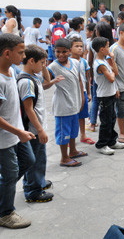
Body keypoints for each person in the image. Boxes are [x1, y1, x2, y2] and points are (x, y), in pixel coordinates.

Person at [0, 34, 36, 229]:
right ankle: (5, 213)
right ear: (7, 53)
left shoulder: (12, 71)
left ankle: (4, 190)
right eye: (21, 52)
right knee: (10, 172)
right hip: (4, 139)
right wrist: (18, 132)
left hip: (16, 133)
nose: (24, 56)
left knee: (28, 161)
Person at [17, 45, 54, 203]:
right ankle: (33, 191)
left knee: (40, 158)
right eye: (42, 63)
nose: (43, 66)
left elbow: (47, 80)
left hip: (38, 129)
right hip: (33, 130)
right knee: (35, 160)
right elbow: (28, 109)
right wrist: (40, 130)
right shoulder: (26, 81)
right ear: (31, 61)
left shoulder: (33, 76)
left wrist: (44, 65)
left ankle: (38, 182)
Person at [47, 38, 86, 167]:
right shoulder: (52, 66)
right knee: (63, 133)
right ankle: (64, 158)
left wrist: (82, 98)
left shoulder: (75, 62)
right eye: (58, 52)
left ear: (69, 51)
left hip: (75, 102)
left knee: (74, 130)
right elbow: (44, 84)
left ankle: (73, 151)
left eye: (64, 51)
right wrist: (53, 81)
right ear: (54, 51)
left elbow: (79, 80)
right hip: (63, 106)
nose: (61, 54)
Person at [92, 37, 123, 155]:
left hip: (110, 93)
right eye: (108, 46)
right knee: (105, 121)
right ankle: (101, 144)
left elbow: (116, 72)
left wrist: (113, 60)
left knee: (112, 118)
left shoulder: (105, 60)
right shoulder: (100, 64)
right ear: (101, 49)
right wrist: (113, 73)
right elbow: (111, 78)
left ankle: (111, 141)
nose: (109, 49)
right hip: (104, 96)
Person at [87, 22, 115, 132]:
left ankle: (92, 123)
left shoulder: (93, 43)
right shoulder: (111, 44)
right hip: (107, 73)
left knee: (95, 99)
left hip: (98, 73)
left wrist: (90, 75)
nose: (95, 31)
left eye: (96, 29)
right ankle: (107, 122)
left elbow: (89, 60)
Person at [67, 35, 94, 145]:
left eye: (81, 46)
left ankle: (83, 135)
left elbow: (87, 78)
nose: (79, 48)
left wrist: (88, 92)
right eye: (76, 46)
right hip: (71, 93)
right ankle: (69, 137)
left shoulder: (84, 62)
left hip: (82, 93)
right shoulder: (67, 62)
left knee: (82, 115)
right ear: (70, 49)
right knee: (71, 116)